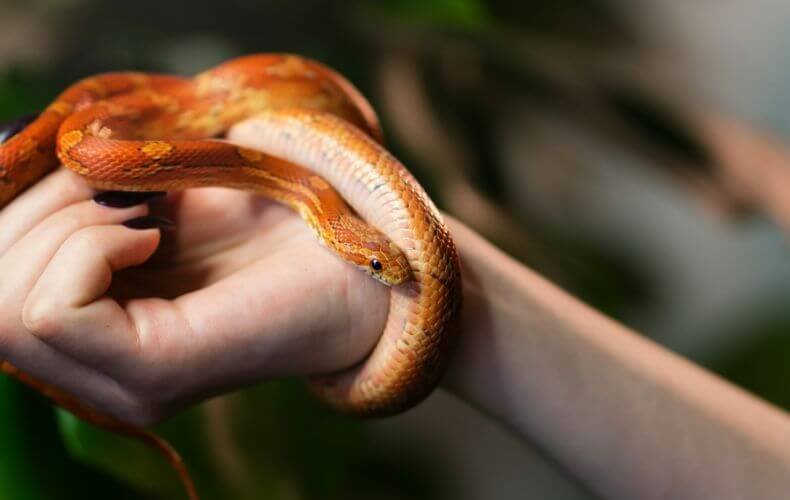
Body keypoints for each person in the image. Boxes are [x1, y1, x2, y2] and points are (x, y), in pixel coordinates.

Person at [0, 123, 788, 500]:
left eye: (378, 264)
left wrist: (424, 303)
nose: (389, 269)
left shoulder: (315, 200)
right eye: (377, 262)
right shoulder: (311, 202)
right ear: (353, 243)